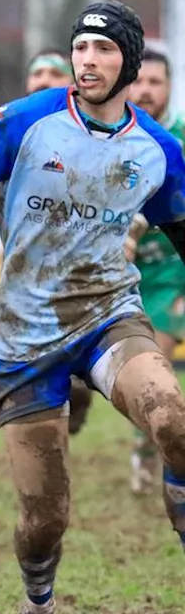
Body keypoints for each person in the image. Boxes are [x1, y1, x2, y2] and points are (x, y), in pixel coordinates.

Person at [0, 1, 185, 614]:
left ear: (130, 63)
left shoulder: (159, 150)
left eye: (103, 51)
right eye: (80, 48)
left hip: (107, 314)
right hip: (23, 334)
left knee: (173, 419)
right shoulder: (24, 121)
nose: (87, 61)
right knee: (44, 518)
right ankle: (38, 605)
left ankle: (175, 480)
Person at [23, 49, 96, 436]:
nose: (44, 79)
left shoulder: (90, 136)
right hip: (24, 278)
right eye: (37, 73)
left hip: (80, 274)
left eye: (54, 73)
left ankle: (79, 388)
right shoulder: (9, 131)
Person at [124, 47, 185, 493]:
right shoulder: (113, 135)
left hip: (172, 274)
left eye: (155, 82)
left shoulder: (179, 140)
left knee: (156, 360)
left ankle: (150, 460)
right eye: (139, 81)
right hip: (120, 277)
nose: (145, 90)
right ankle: (147, 452)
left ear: (169, 87)